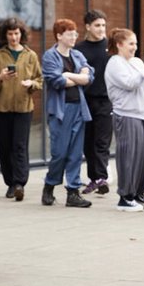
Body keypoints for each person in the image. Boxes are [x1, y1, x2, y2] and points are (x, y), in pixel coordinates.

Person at [0, 17, 43, 202]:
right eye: (10, 34)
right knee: (4, 146)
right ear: (5, 35)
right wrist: (0, 77)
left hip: (23, 107)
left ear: (22, 34)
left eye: (16, 33)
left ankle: (20, 184)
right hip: (3, 107)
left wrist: (31, 83)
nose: (13, 37)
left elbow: (40, 80)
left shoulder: (30, 55)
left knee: (19, 146)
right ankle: (10, 183)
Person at [104, 28, 144, 212]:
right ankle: (125, 196)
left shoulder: (137, 62)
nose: (135, 47)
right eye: (131, 43)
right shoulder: (114, 63)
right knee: (130, 157)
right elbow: (130, 83)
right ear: (119, 45)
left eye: (136, 43)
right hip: (127, 114)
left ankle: (139, 192)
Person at [40, 18, 94, 208]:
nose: (74, 37)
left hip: (79, 108)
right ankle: (50, 184)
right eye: (70, 34)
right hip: (61, 111)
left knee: (75, 154)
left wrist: (69, 75)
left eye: (75, 33)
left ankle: (73, 192)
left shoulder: (77, 55)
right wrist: (79, 77)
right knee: (60, 153)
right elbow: (57, 81)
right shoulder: (49, 56)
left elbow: (90, 77)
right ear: (59, 36)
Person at [76, 10, 113, 196]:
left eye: (103, 25)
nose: (101, 29)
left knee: (102, 142)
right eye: (97, 25)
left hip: (106, 101)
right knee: (88, 142)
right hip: (86, 101)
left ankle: (101, 177)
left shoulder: (110, 47)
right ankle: (94, 179)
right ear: (88, 27)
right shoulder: (79, 49)